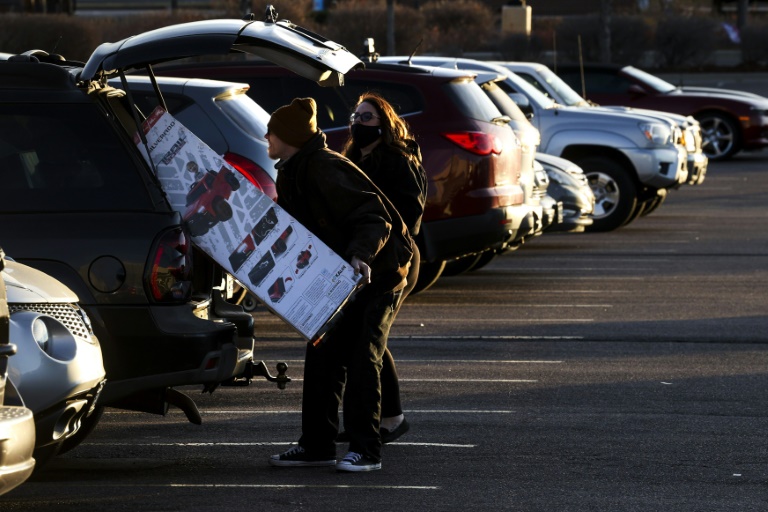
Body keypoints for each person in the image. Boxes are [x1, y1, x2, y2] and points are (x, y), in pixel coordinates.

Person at [265, 97, 414, 473]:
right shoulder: (293, 169)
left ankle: (367, 449)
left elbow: (375, 217)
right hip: (336, 279)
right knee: (322, 356)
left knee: (363, 356)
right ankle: (317, 446)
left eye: (273, 131)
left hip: (378, 274)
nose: (266, 135)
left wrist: (360, 255)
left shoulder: (325, 167)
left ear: (291, 137)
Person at [336, 92, 427, 444]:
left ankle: (383, 421)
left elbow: (409, 217)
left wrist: (372, 242)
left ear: (384, 123)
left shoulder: (397, 161)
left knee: (369, 341)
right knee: (366, 340)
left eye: (368, 117)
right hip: (363, 260)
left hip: (394, 262)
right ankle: (389, 416)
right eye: (355, 117)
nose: (359, 123)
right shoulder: (352, 159)